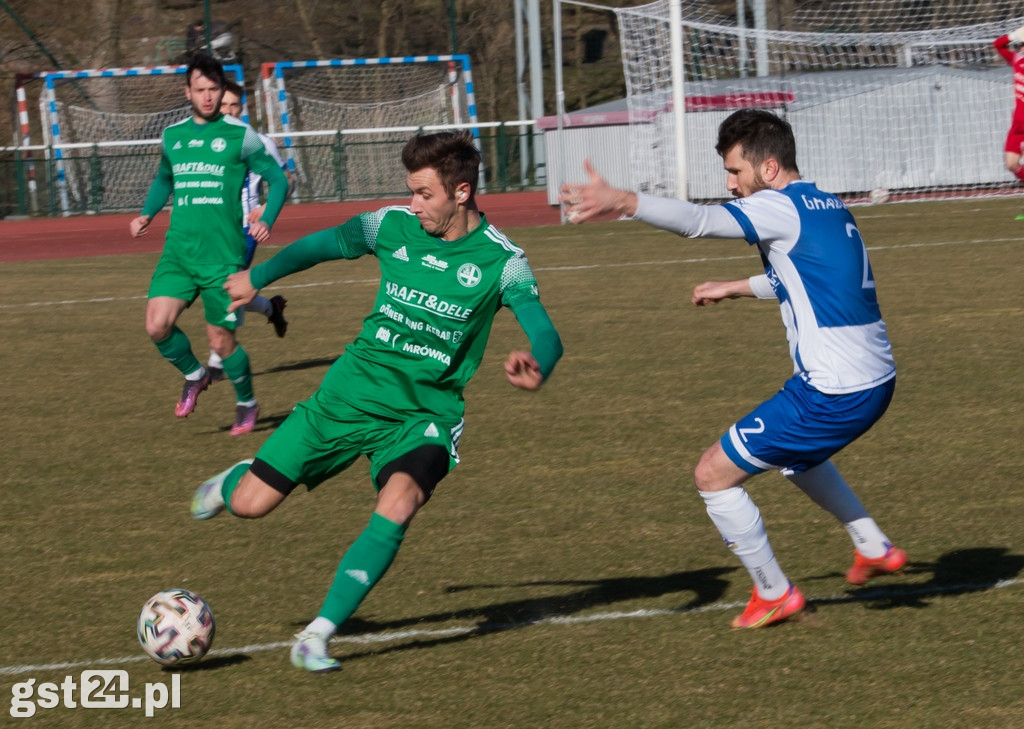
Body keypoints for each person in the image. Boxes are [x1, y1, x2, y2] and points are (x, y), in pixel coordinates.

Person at [190, 130, 563, 671]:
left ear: (461, 192)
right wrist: (257, 276)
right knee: (251, 504)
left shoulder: (502, 261)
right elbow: (319, 246)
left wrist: (538, 364)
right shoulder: (389, 226)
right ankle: (234, 480)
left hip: (422, 417)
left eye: (424, 194)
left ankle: (317, 635)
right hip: (346, 398)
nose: (413, 205)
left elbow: (546, 332)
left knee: (401, 500)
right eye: (410, 192)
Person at [560, 109, 905, 629]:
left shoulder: (777, 206)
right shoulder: (824, 203)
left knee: (713, 474)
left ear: (768, 169)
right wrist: (734, 287)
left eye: (735, 172)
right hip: (875, 378)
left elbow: (700, 223)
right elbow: (806, 278)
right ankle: (872, 544)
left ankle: (774, 592)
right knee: (796, 458)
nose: (730, 184)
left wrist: (625, 201)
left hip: (835, 389)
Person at [130, 54, 289, 435]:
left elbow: (279, 180)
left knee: (221, 339)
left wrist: (267, 218)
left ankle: (247, 404)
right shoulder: (173, 136)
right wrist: (147, 213)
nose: (206, 96)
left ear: (222, 91)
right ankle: (195, 374)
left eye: (213, 89)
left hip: (223, 256)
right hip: (179, 253)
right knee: (156, 326)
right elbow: (164, 179)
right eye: (199, 89)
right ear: (188, 92)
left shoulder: (241, 136)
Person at [205, 79, 293, 383]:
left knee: (229, 286)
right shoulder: (206, 140)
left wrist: (266, 210)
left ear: (242, 108)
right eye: (224, 104)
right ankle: (272, 308)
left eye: (234, 106)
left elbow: (286, 180)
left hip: (245, 229)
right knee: (219, 286)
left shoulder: (258, 141)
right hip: (214, 227)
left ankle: (217, 360)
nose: (228, 111)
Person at [994, 26, 1024, 218]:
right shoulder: (1016, 59)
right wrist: (1014, 34)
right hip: (1018, 124)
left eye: (1020, 44)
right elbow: (998, 44)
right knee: (1011, 164)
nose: (1019, 47)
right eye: (1018, 44)